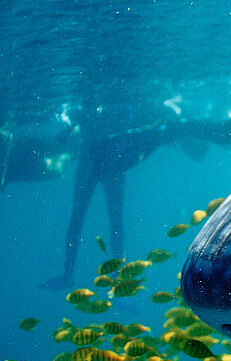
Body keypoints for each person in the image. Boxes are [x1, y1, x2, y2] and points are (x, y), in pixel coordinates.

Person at [44, 98, 198, 289]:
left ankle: (81, 276)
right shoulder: (108, 102)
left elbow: (67, 131)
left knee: (86, 218)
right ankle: (107, 277)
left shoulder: (93, 101)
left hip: (101, 161)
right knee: (104, 219)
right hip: (110, 161)